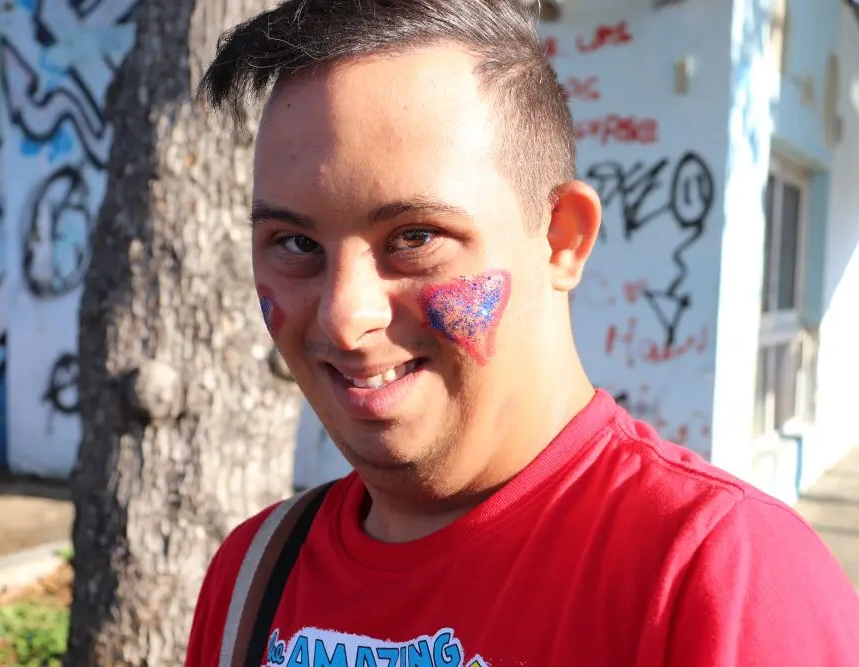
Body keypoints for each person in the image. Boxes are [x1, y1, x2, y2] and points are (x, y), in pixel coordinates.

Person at [186, 1, 859, 665]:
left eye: (415, 238)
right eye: (296, 243)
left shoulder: (719, 581)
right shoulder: (252, 577)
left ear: (561, 239)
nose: (345, 316)